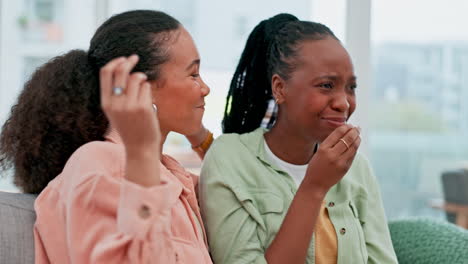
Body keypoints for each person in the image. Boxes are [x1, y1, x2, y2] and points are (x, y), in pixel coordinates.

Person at [0, 10, 213, 263]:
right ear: (141, 86)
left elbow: (238, 183)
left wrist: (200, 137)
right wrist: (142, 151)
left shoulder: (170, 172)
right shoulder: (98, 164)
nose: (205, 89)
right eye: (193, 74)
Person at [200, 13, 398, 264]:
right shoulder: (230, 158)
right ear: (280, 88)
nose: (344, 102)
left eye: (351, 87)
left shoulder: (356, 168)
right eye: (327, 85)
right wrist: (314, 187)